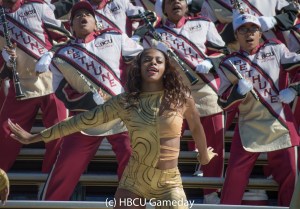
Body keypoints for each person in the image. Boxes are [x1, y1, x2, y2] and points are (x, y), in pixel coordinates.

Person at [8, 47, 218, 209]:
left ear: (166, 68)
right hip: (134, 181)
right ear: (139, 67)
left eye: (158, 61)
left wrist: (204, 157)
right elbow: (80, 121)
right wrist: (34, 138)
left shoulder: (181, 98)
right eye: (147, 60)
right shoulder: (125, 101)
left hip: (169, 180)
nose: (152, 63)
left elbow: (197, 128)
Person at [33, 1, 144, 200]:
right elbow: (61, 91)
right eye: (77, 16)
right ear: (70, 26)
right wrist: (87, 100)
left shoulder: (115, 37)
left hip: (121, 115)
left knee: (133, 159)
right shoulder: (61, 55)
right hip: (85, 118)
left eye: (87, 15)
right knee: (65, 168)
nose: (83, 17)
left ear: (96, 22)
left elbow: (141, 60)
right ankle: (50, 204)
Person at [143, 0, 228, 204]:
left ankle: (210, 191)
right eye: (170, 1)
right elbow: (144, 66)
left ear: (186, 4)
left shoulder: (205, 23)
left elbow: (223, 52)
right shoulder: (152, 34)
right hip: (171, 90)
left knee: (214, 140)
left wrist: (210, 61)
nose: (176, 4)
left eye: (179, 0)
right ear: (162, 8)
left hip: (203, 87)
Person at [217, 13, 300, 206]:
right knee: (234, 180)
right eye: (243, 30)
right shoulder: (228, 63)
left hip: (280, 124)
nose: (249, 34)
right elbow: (223, 102)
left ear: (260, 32)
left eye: (253, 29)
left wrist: (295, 90)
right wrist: (237, 92)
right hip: (248, 127)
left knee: (292, 179)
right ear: (236, 35)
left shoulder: (276, 48)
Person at [0, 0, 70, 175]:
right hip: (21, 86)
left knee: (58, 135)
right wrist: (6, 60)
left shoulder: (38, 6)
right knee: (5, 133)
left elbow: (65, 39)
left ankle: (50, 182)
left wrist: (50, 54)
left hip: (52, 82)